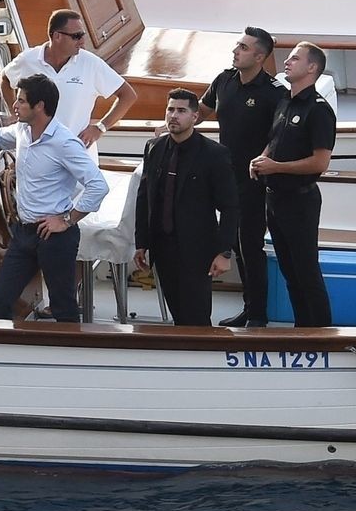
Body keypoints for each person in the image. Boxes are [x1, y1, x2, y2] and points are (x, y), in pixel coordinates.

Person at [0, 73, 108, 322]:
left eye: (21, 101)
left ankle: (68, 347)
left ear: (40, 106)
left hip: (55, 237)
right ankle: (18, 346)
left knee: (63, 308)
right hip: (24, 234)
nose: (15, 105)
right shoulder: (22, 131)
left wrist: (67, 220)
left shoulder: (65, 142)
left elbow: (98, 186)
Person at [200, 27, 288, 328]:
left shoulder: (274, 92)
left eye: (243, 47)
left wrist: (263, 158)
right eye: (237, 45)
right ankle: (249, 308)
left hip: (253, 181)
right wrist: (173, 124)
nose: (235, 51)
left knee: (249, 245)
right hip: (224, 177)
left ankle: (257, 314)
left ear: (260, 57)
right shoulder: (223, 80)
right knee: (234, 243)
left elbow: (279, 136)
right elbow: (202, 111)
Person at [133, 89, 238, 327]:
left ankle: (203, 350)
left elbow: (230, 207)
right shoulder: (154, 148)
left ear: (194, 116)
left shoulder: (214, 154)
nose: (174, 115)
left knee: (197, 316)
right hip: (162, 245)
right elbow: (144, 197)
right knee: (178, 314)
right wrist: (141, 243)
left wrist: (224, 253)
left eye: (181, 111)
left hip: (197, 249)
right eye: (170, 109)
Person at [250, 42, 336, 327]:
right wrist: (261, 159)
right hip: (275, 199)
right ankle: (302, 329)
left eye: (295, 59)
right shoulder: (284, 102)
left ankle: (321, 333)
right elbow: (274, 140)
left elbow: (320, 162)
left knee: (306, 271)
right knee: (289, 271)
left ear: (312, 67)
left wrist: (277, 167)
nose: (287, 62)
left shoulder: (319, 110)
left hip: (300, 201)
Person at [1, 8, 138, 149]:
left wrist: (100, 127)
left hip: (77, 154)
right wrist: (15, 114)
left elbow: (128, 95)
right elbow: (5, 79)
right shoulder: (28, 60)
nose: (82, 41)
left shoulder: (91, 63)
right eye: (76, 36)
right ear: (57, 36)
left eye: (83, 35)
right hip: (36, 153)